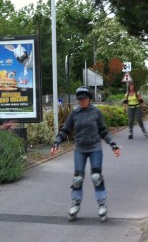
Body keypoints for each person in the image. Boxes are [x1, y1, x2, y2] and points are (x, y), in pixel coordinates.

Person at [50, 86, 120, 221]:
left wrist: (113, 145)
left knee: (96, 176)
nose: (81, 101)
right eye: (79, 99)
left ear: (89, 99)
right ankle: (75, 204)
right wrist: (56, 142)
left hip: (95, 148)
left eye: (84, 99)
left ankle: (101, 204)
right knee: (77, 178)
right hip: (80, 149)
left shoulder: (96, 112)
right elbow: (65, 131)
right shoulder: (74, 113)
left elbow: (103, 131)